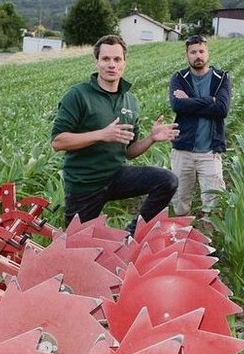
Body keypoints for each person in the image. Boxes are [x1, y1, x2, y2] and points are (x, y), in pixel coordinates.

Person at [51, 34, 179, 228]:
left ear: (124, 63)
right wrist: (102, 135)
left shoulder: (130, 101)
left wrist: (151, 139)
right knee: (77, 248)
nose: (111, 64)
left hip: (115, 176)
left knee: (167, 181)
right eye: (106, 59)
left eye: (117, 59)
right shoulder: (78, 95)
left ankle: (133, 233)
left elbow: (128, 151)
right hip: (84, 184)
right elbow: (58, 142)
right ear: (97, 62)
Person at [167, 35, 231, 217]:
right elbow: (177, 105)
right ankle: (181, 240)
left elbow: (222, 108)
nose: (198, 56)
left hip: (210, 151)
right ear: (186, 55)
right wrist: (209, 101)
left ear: (207, 52)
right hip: (183, 150)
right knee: (180, 201)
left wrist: (190, 101)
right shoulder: (179, 78)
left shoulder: (221, 78)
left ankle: (209, 240)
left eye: (201, 51)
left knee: (213, 203)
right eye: (193, 52)